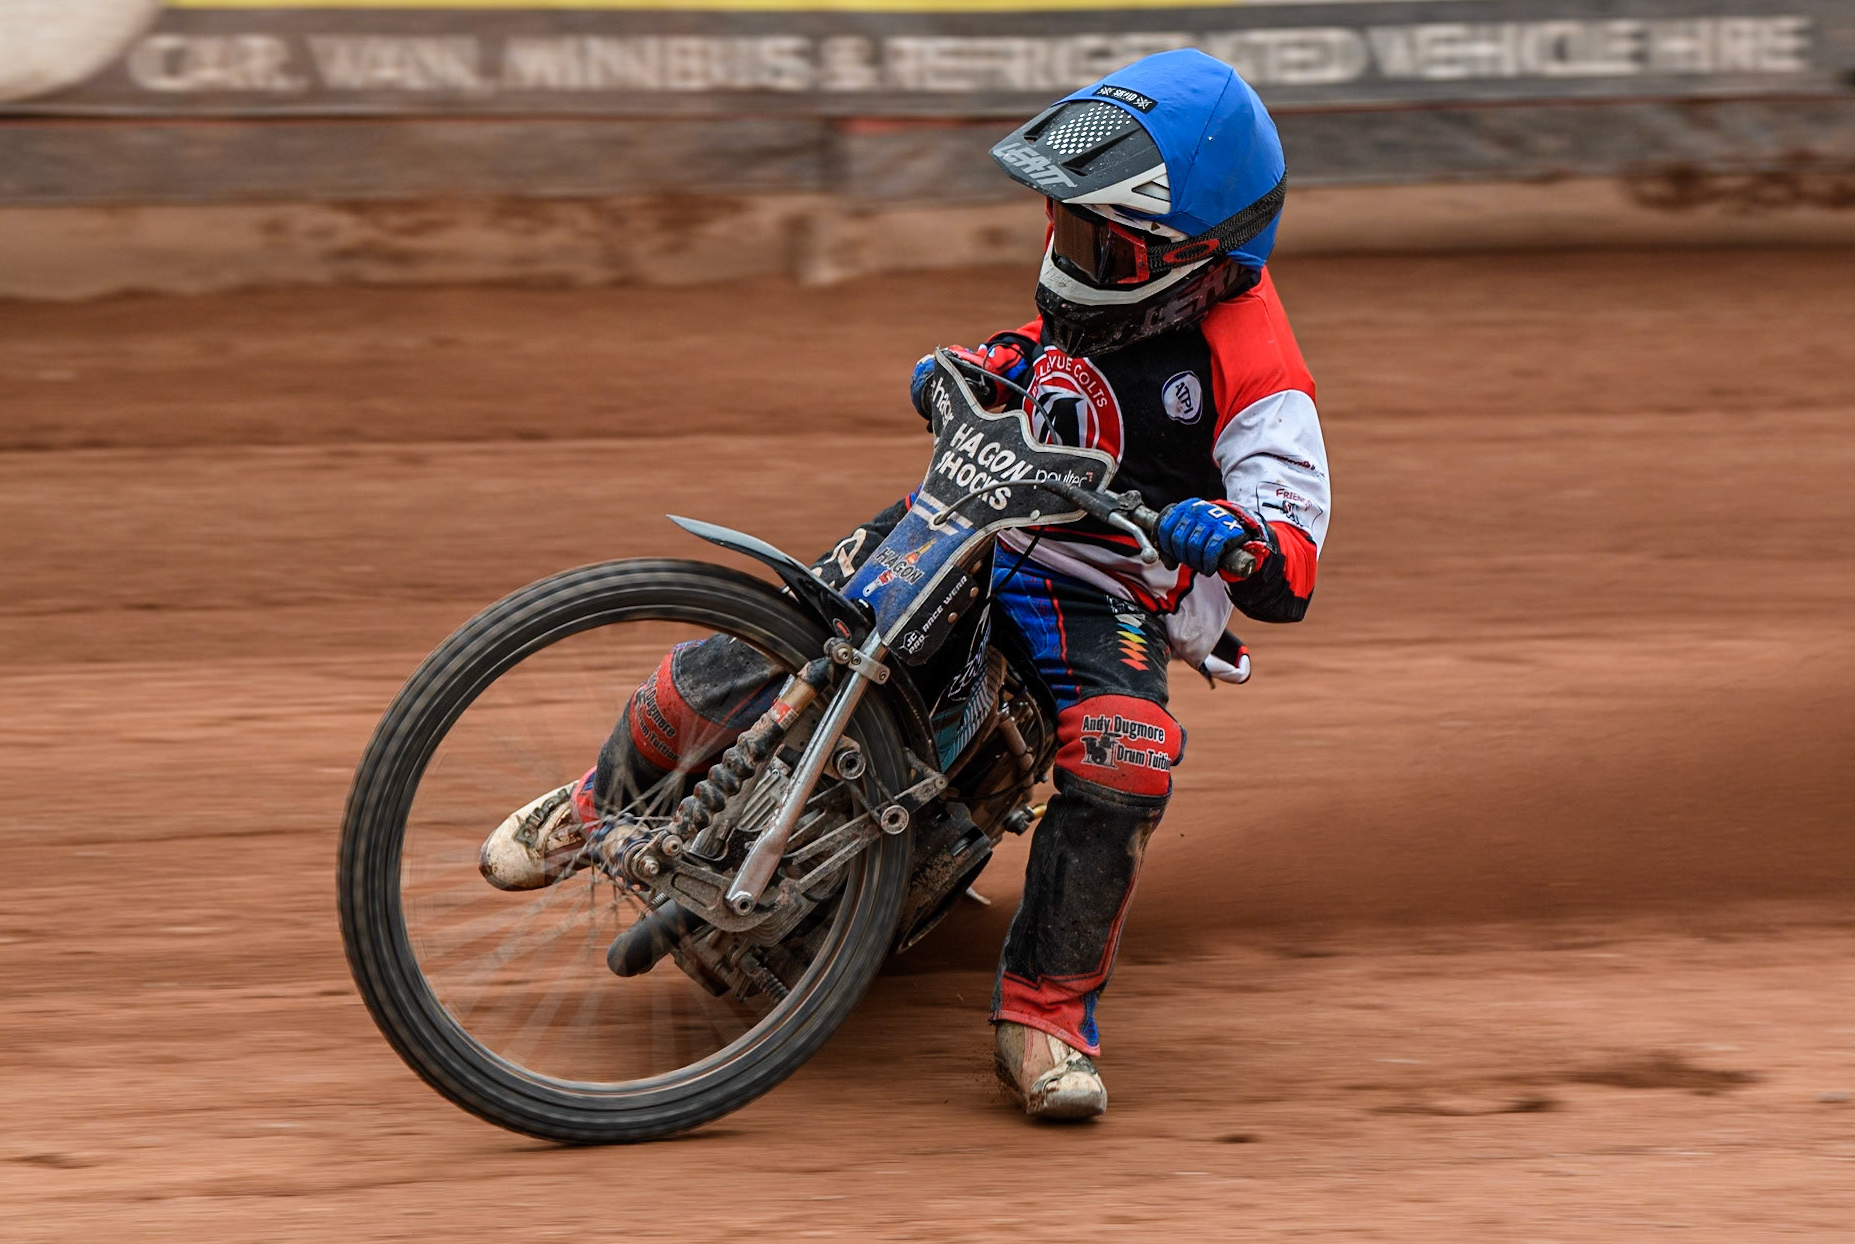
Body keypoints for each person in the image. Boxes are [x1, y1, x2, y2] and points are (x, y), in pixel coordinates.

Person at [478, 48, 1331, 1122]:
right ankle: (601, 798)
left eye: (1087, 234)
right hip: (979, 507)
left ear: (1189, 255)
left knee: (1124, 751)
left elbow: (1292, 559)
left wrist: (1238, 538)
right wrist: (972, 366)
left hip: (1100, 583)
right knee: (777, 628)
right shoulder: (1113, 280)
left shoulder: (1261, 375)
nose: (1062, 246)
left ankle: (1045, 1015)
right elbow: (1043, 354)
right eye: (1060, 222)